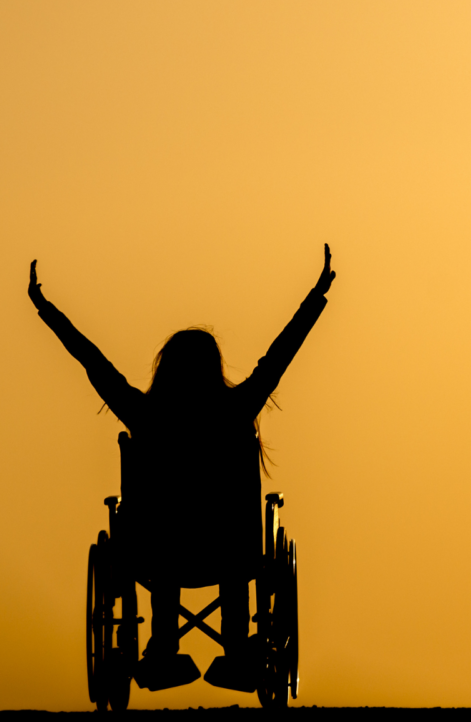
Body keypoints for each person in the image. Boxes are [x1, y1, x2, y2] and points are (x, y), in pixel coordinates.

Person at [29, 247, 336, 691]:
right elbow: (281, 354)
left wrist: (45, 309)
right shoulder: (236, 409)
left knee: (167, 541)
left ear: (165, 369)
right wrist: (317, 294)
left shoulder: (146, 414)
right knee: (228, 541)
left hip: (159, 551)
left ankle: (162, 649)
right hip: (231, 547)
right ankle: (235, 649)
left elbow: (94, 365)